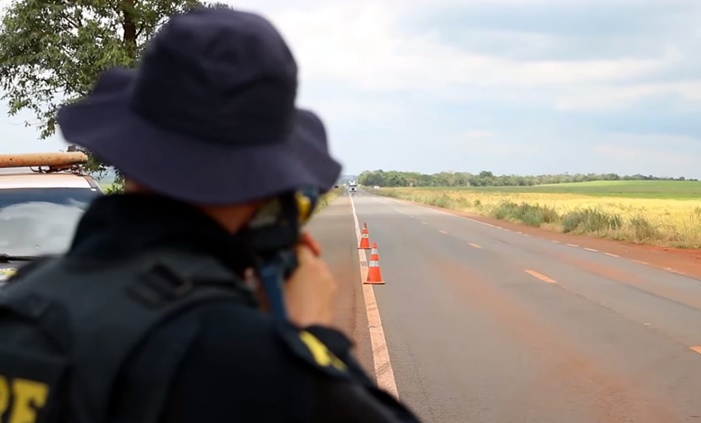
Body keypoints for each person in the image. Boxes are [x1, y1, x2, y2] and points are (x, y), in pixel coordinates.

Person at [0, 7, 422, 423]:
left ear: (131, 145)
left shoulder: (22, 304)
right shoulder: (243, 359)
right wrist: (311, 339)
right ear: (265, 184)